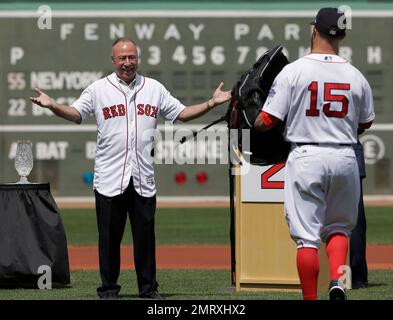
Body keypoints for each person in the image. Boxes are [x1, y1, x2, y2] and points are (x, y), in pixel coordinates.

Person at [30, 38, 231, 299]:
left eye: (132, 57)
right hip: (109, 178)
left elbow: (181, 113)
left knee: (145, 241)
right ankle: (109, 289)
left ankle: (148, 290)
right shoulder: (99, 89)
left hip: (142, 178)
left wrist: (211, 103)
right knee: (109, 241)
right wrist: (53, 105)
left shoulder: (154, 88)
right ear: (113, 61)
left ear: (138, 59)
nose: (127, 62)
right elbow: (76, 113)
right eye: (122, 58)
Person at [253, 8, 375, 300]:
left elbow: (266, 121)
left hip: (307, 156)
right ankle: (337, 282)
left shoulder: (294, 71)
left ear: (313, 30)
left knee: (307, 238)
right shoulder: (355, 75)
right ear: (342, 35)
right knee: (339, 230)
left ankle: (311, 298)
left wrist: (251, 115)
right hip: (345, 156)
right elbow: (365, 123)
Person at [350, 139, 368, 289]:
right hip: (350, 156)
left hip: (310, 156)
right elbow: (365, 123)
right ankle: (356, 278)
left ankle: (321, 272)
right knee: (354, 219)